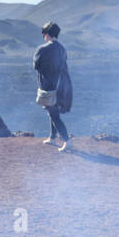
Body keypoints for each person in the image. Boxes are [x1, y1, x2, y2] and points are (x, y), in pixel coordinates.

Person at [33, 22, 72, 151]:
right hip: (62, 86)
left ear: (46, 34)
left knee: (53, 114)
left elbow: (36, 66)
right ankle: (52, 137)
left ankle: (66, 140)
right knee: (53, 111)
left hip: (49, 86)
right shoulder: (62, 49)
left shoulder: (42, 49)